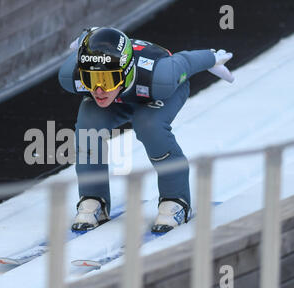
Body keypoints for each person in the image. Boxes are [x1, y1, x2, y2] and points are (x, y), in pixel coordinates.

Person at [58, 27, 233, 234]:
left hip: (155, 92)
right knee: (88, 128)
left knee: (149, 125)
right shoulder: (71, 76)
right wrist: (86, 38)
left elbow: (185, 60)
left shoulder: (161, 76)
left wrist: (211, 57)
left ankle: (175, 200)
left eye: (107, 80)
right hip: (122, 96)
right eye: (91, 80)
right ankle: (93, 197)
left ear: (127, 71)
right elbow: (86, 46)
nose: (99, 90)